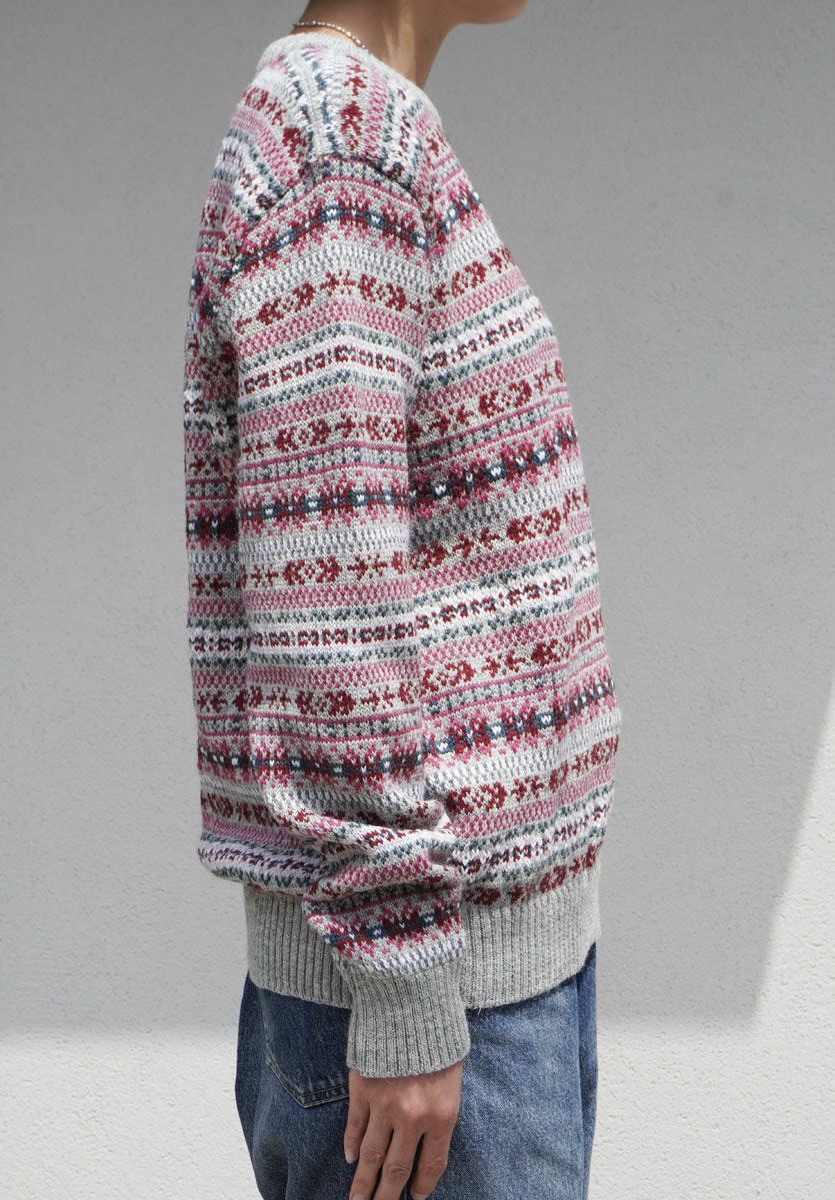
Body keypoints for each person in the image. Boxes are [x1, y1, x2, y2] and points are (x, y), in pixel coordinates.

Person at [182, 3, 623, 1198]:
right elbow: (330, 599)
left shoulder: (363, 134)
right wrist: (407, 984)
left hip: (486, 979)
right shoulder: (341, 148)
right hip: (434, 1009)